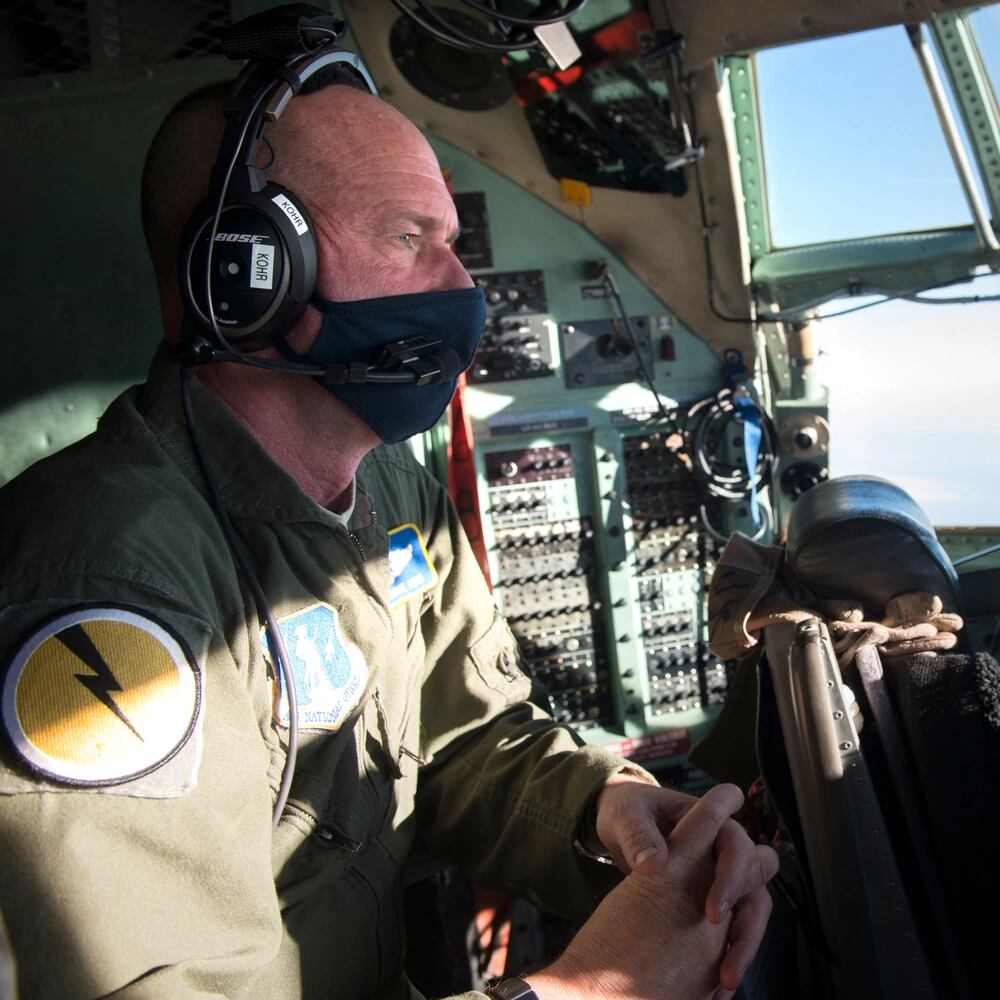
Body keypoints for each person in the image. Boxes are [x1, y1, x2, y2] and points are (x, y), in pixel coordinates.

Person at [0, 66, 777, 1000]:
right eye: (409, 238)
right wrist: (591, 992)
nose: (461, 286)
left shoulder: (391, 490)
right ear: (243, 274)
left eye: (452, 244)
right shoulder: (110, 578)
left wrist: (606, 810)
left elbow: (466, 735)